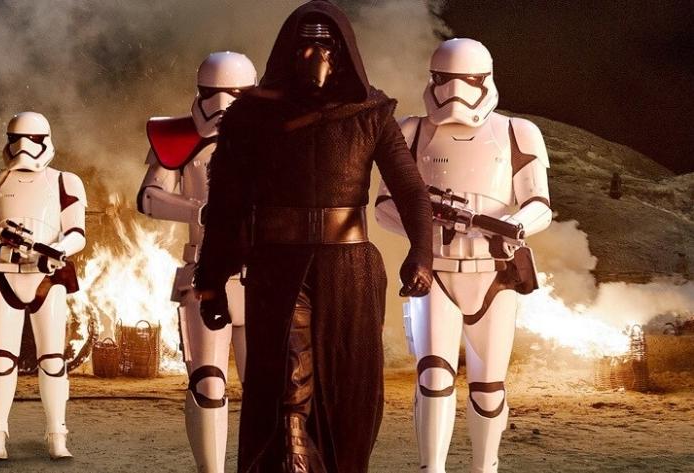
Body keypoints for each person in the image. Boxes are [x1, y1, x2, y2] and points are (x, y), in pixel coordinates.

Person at [194, 2, 433, 471]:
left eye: (325, 44)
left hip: (350, 268)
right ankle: (293, 456)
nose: (315, 56)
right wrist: (211, 278)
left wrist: (421, 254)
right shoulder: (252, 115)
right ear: (288, 49)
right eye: (305, 44)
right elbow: (226, 204)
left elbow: (410, 190)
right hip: (278, 265)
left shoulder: (371, 114)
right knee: (288, 381)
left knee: (348, 387)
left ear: (342, 52)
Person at [376, 38, 552, 473]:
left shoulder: (517, 132)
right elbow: (385, 206)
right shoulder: (411, 130)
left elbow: (539, 204)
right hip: (434, 270)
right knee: (433, 378)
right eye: (445, 80)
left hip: (494, 273)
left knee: (488, 387)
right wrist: (426, 225)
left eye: (466, 81)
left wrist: (514, 226)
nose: (455, 93)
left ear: (484, 80)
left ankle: (485, 466)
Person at [137, 51, 257, 473]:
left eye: (233, 94)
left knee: (267, 387)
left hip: (262, 273)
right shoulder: (178, 137)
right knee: (207, 382)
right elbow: (149, 197)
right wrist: (199, 210)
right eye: (211, 93)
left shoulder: (276, 135)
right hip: (204, 269)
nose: (221, 104)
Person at [0, 111, 87, 461]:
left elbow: (76, 232)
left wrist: (55, 251)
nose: (23, 147)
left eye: (32, 140)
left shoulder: (65, 181)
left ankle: (57, 435)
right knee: (2, 361)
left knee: (53, 360)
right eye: (16, 139)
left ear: (45, 141)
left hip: (47, 279)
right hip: (5, 274)